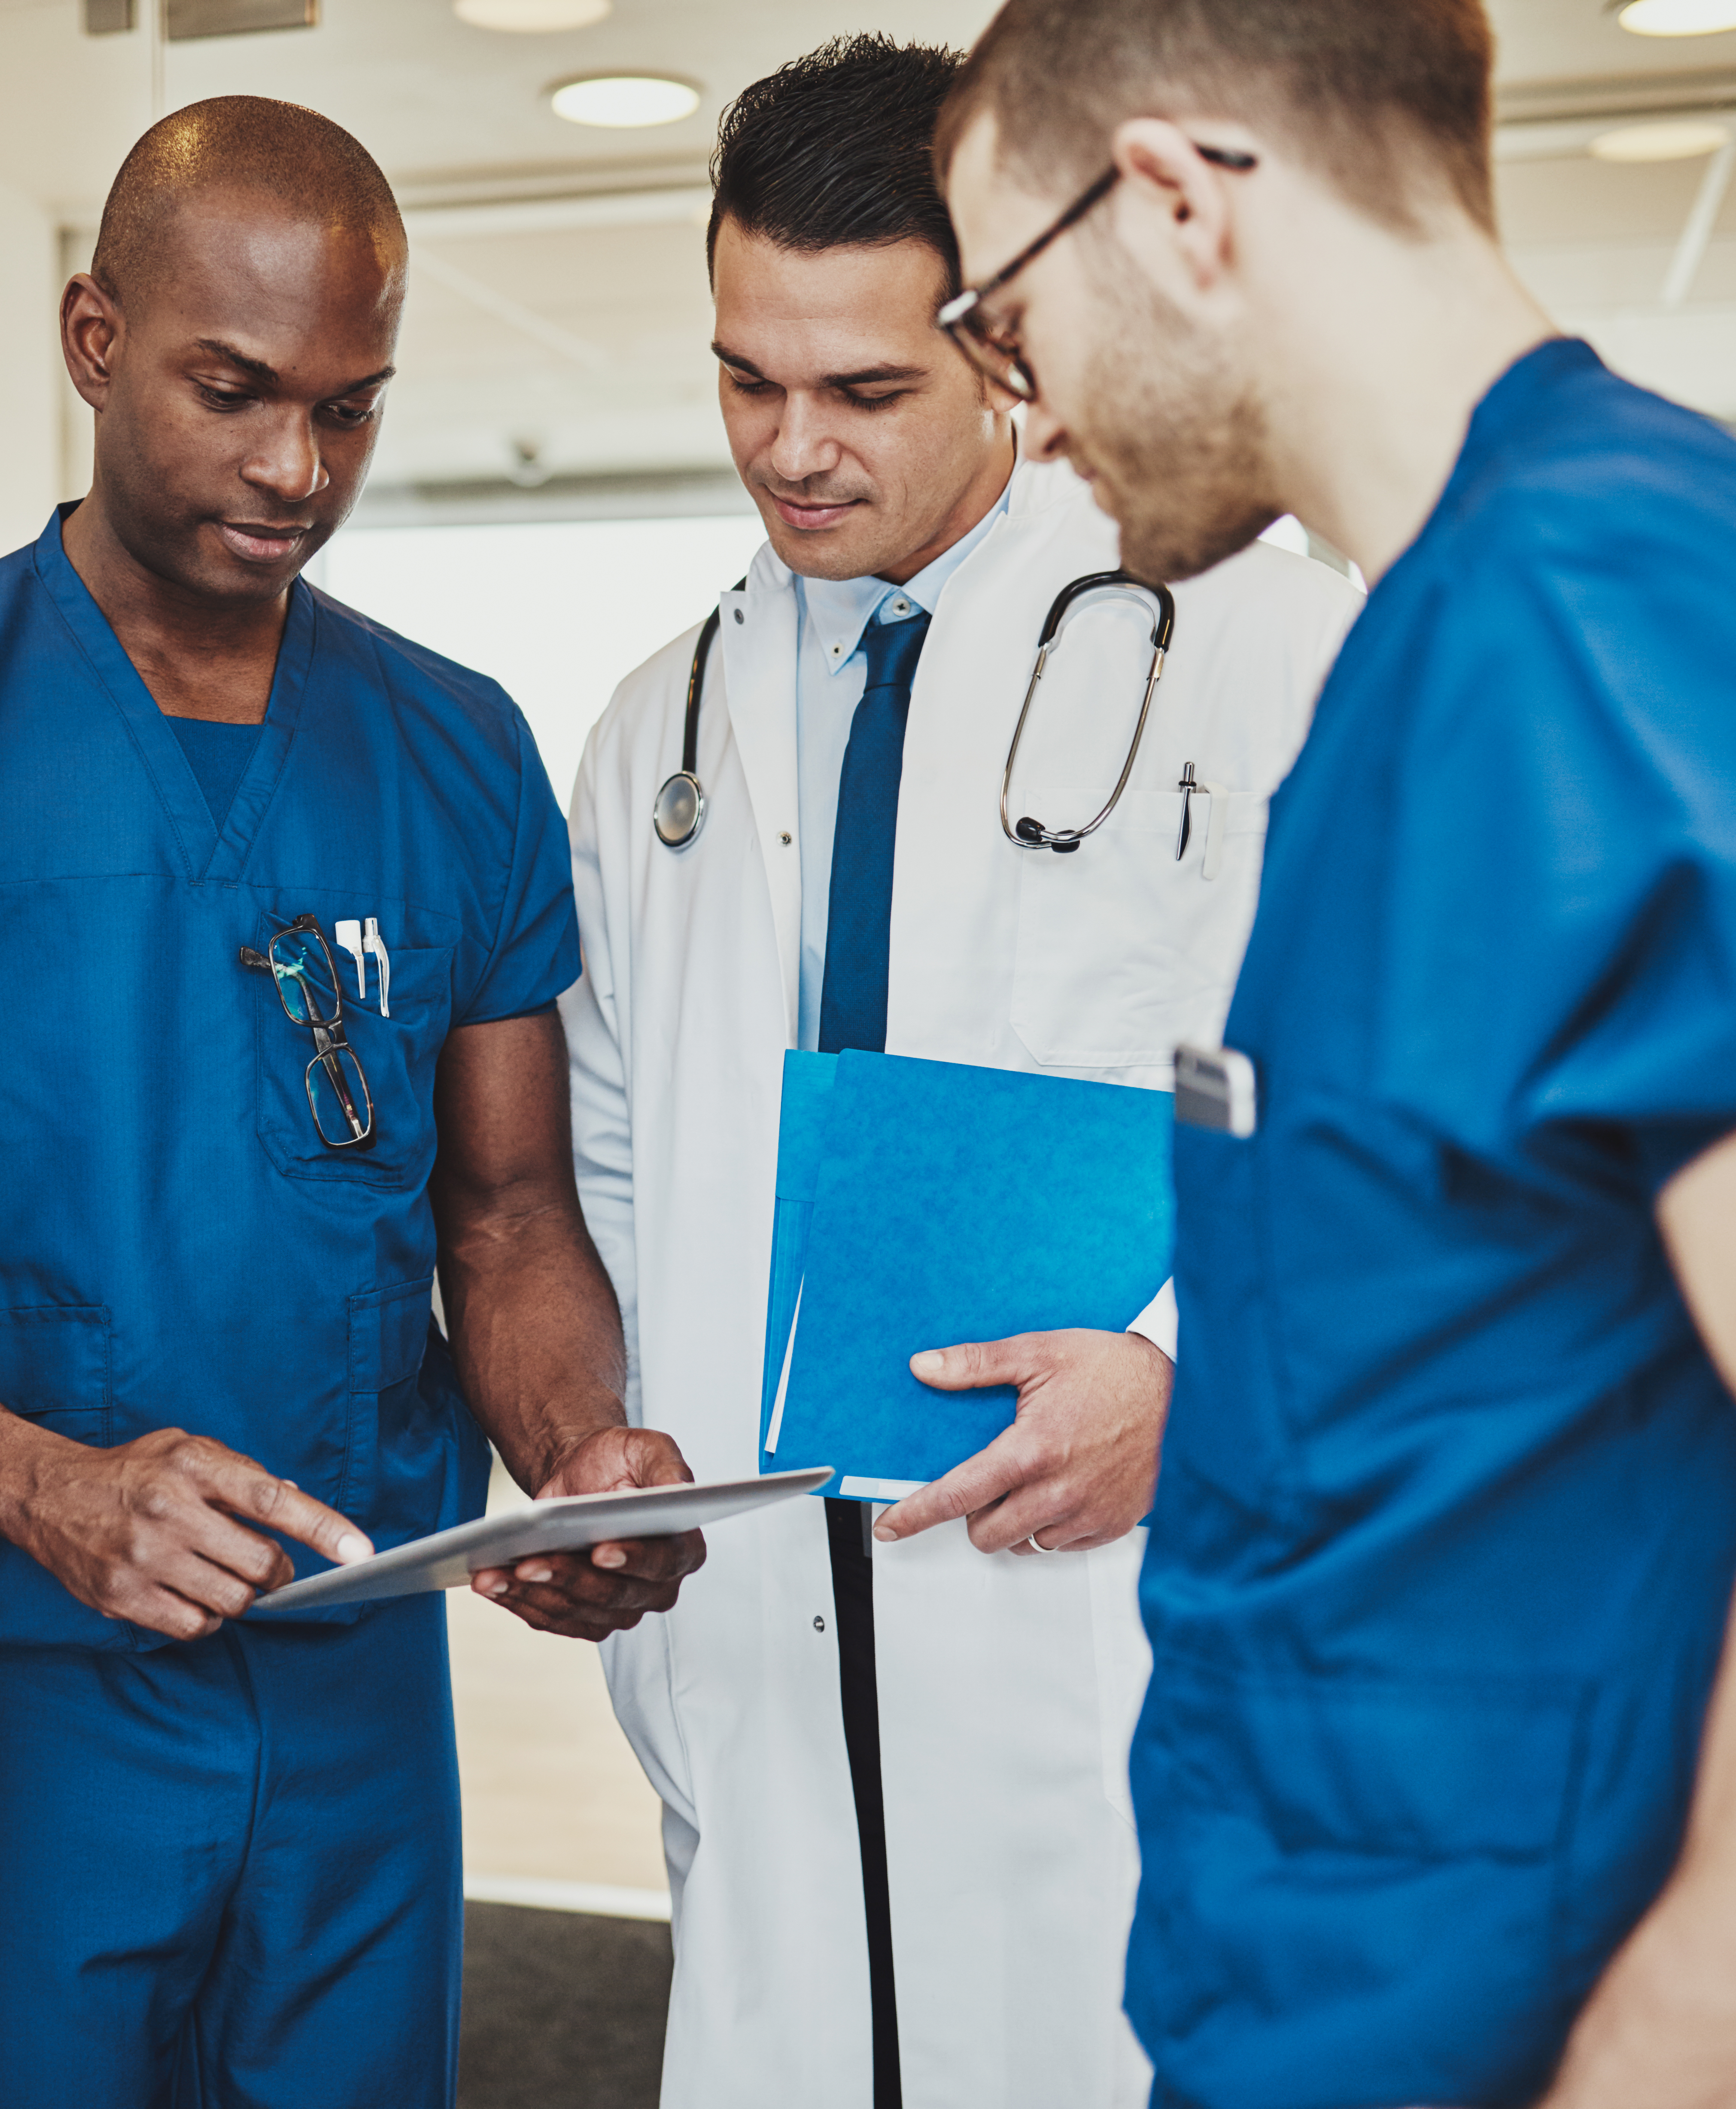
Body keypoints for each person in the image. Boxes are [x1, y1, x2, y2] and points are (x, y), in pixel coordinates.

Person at [929, 4, 1736, 2106]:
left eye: (1003, 322)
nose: (1019, 421)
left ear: (1172, 201)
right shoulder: (1435, 647)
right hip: (1337, 1999)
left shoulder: (1597, 601)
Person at [0, 97, 701, 2109]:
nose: (294, 468)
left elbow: (503, 1216)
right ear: (91, 341)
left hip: (358, 1689)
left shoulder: (453, 746)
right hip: (8, 1681)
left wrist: (581, 1452)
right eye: (234, 390)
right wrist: (36, 1484)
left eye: (349, 409)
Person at [559, 36, 1356, 2108]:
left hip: (1097, 1636)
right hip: (758, 1651)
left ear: (1002, 343)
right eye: (747, 377)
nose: (790, 447)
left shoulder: (1243, 644)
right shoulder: (659, 725)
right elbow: (620, 1159)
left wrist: (1187, 1372)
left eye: (864, 389)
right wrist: (611, 1448)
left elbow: (1367, 1126)